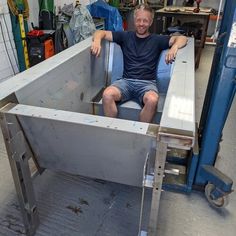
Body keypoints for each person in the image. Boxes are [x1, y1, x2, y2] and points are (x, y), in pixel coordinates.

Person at [91, 3, 187, 123]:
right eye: (139, 20)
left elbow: (182, 38)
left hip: (147, 84)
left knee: (152, 100)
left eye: (145, 21)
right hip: (126, 82)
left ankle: (140, 133)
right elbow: (101, 33)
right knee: (107, 95)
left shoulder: (157, 40)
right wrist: (97, 41)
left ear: (151, 22)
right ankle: (112, 127)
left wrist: (174, 47)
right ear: (135, 20)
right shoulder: (125, 36)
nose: (141, 24)